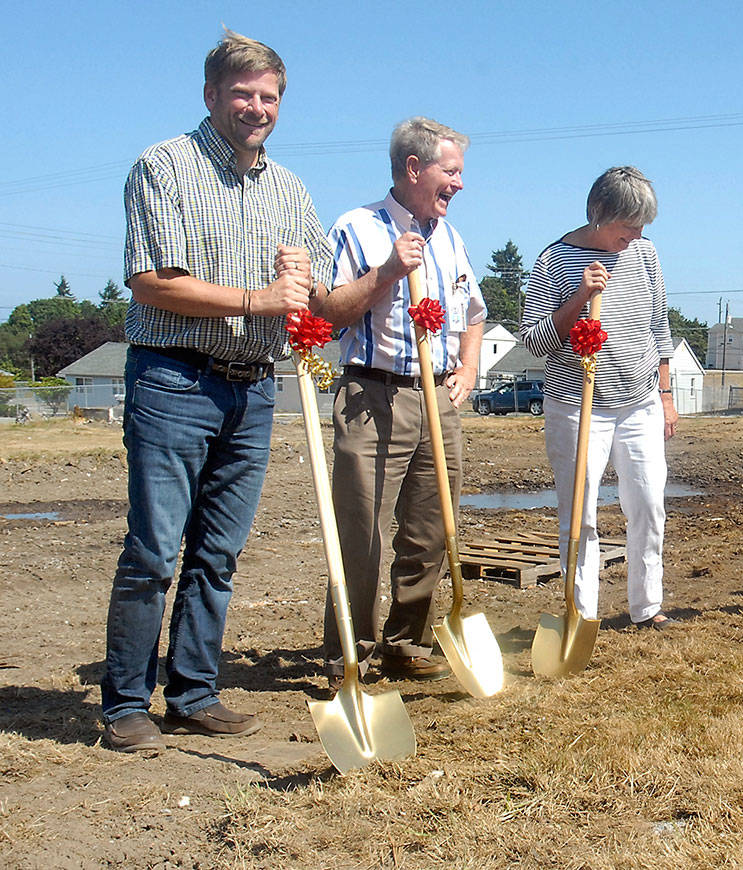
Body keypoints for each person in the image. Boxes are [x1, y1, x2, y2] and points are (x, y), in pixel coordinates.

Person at [102, 31, 332, 752]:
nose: (255, 108)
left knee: (218, 554)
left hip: (253, 389)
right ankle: (125, 706)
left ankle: (193, 693)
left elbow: (316, 290)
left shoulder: (291, 189)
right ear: (211, 95)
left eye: (268, 97)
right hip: (173, 378)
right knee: (155, 549)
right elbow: (151, 280)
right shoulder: (163, 166)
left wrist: (309, 281)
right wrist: (260, 298)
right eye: (242, 93)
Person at [315, 118, 486, 693]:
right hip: (372, 395)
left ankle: (407, 640)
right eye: (451, 171)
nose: (459, 185)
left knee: (431, 526)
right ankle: (350, 650)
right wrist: (387, 271)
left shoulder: (452, 238)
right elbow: (330, 310)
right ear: (414, 168)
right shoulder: (356, 227)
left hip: (436, 396)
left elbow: (474, 312)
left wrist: (466, 366)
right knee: (360, 527)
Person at [521, 167, 678, 628]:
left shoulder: (645, 255)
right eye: (628, 225)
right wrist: (579, 297)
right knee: (580, 513)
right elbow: (535, 341)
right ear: (598, 213)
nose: (636, 235)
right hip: (576, 406)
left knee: (649, 504)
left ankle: (647, 608)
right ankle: (579, 614)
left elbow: (659, 329)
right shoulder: (554, 260)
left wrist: (666, 396)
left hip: (640, 401)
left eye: (642, 225)